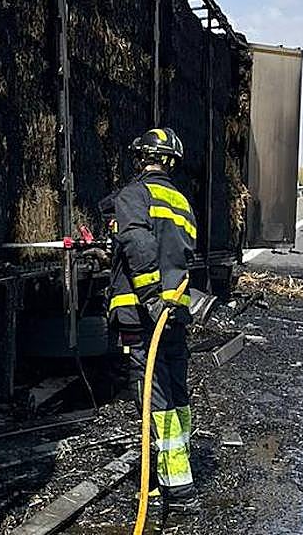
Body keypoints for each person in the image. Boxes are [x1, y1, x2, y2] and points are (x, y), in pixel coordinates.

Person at [101, 127, 199, 515]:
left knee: (151, 395)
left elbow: (139, 244)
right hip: (175, 313)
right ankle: (176, 474)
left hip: (143, 314)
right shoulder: (181, 202)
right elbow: (182, 252)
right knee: (176, 391)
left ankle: (174, 490)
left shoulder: (134, 194)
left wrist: (149, 297)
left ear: (141, 158)